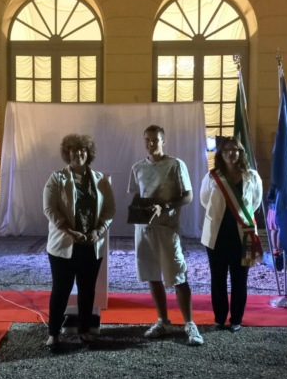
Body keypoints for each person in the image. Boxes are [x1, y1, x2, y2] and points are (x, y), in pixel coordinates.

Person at [128, 124, 204, 346]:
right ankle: (163, 320)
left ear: (163, 141)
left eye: (155, 139)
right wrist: (137, 212)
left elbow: (188, 196)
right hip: (144, 229)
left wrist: (166, 206)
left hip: (167, 228)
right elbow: (137, 196)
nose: (151, 143)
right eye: (147, 140)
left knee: (177, 275)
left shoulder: (175, 165)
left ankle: (189, 323)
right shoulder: (138, 167)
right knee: (152, 275)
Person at [43, 134, 116, 350]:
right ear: (68, 154)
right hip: (63, 246)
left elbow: (110, 209)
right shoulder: (56, 178)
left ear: (88, 153)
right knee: (61, 290)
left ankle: (85, 330)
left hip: (91, 244)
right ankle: (53, 333)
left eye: (83, 150)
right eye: (74, 150)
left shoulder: (100, 179)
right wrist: (70, 231)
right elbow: (50, 209)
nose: (79, 153)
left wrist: (99, 231)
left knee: (87, 290)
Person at [199, 136, 263, 332]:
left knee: (239, 279)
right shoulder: (212, 176)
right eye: (226, 150)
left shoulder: (252, 176)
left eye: (234, 149)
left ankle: (236, 319)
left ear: (241, 152)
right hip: (216, 235)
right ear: (221, 153)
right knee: (218, 278)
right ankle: (219, 318)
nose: (230, 153)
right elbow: (204, 200)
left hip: (242, 235)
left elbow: (256, 202)